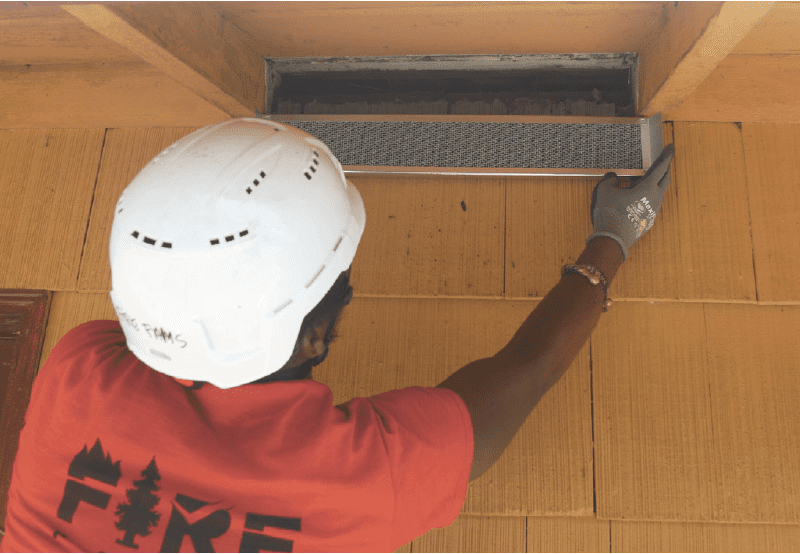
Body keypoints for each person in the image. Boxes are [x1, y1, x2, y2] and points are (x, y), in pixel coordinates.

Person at [1, 118, 674, 552]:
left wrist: (612, 239)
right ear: (313, 338)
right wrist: (614, 233)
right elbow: (525, 371)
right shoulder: (358, 486)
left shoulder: (77, 371)